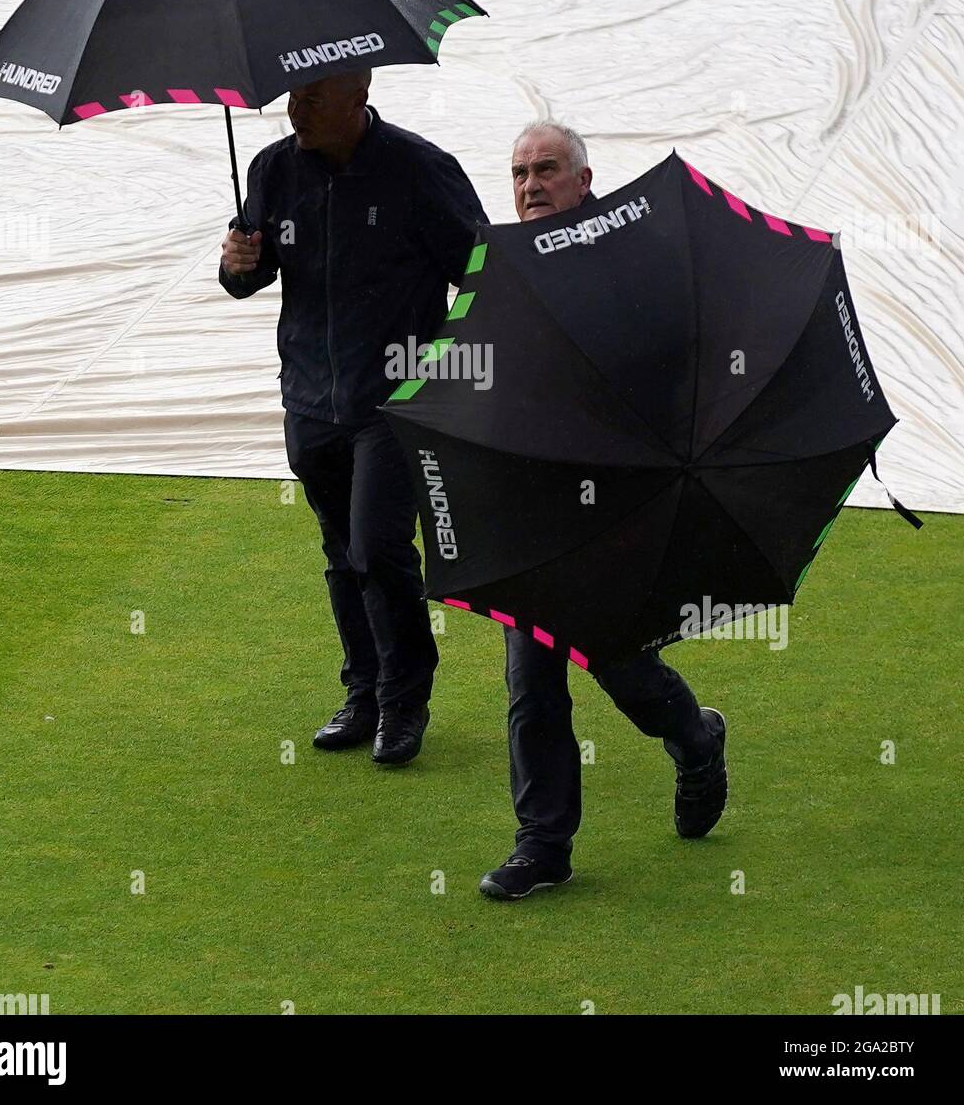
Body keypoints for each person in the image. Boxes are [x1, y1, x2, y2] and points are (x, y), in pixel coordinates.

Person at [479, 121, 728, 900]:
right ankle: (542, 846)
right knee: (532, 680)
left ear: (585, 180)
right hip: (532, 510)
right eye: (518, 172)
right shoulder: (495, 268)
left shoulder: (633, 265)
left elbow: (679, 371)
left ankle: (694, 739)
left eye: (546, 169)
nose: (529, 186)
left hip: (618, 506)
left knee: (619, 665)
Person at [219, 69, 488, 765]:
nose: (293, 109)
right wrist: (237, 265)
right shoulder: (273, 169)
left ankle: (404, 699)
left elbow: (485, 276)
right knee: (342, 554)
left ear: (357, 95)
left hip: (397, 400)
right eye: (291, 96)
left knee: (377, 548)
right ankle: (362, 691)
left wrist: (450, 373)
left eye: (310, 97)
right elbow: (251, 273)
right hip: (309, 397)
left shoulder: (420, 171)